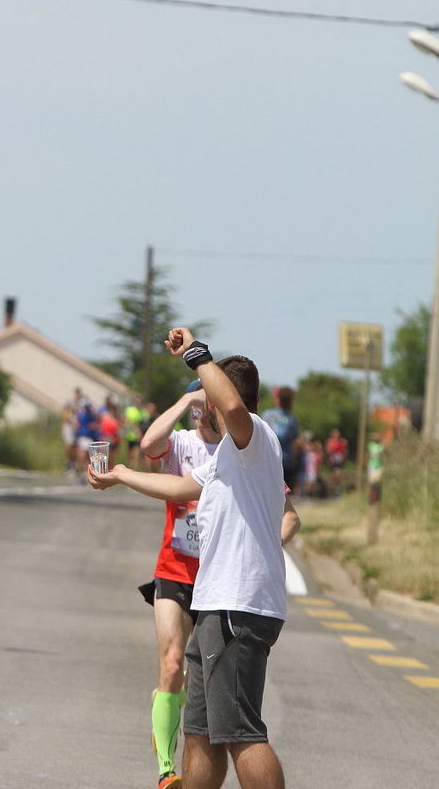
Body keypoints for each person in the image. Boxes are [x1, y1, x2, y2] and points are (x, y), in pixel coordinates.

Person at [89, 329, 300, 789]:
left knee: (242, 732)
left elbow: (234, 409)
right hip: (215, 604)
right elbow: (182, 486)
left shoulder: (252, 438)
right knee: (200, 731)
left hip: (239, 606)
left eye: (208, 394)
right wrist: (122, 474)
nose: (201, 403)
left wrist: (195, 354)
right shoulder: (228, 453)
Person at [137, 378, 222, 789]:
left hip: (216, 578)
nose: (204, 409)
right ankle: (167, 772)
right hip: (172, 570)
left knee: (195, 678)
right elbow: (149, 446)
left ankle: (167, 713)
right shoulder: (183, 443)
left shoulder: (235, 449)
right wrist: (187, 396)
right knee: (171, 664)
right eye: (199, 402)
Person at [262, 386, 300, 494]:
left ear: (277, 399)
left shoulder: (267, 415)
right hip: (286, 462)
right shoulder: (292, 420)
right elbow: (294, 439)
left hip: (268, 460)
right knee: (284, 496)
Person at [324, 428, 348, 497]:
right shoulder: (330, 441)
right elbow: (327, 451)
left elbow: (345, 451)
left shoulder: (342, 442)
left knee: (337, 473)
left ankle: (336, 490)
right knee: (334, 475)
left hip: (339, 460)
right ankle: (333, 490)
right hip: (333, 460)